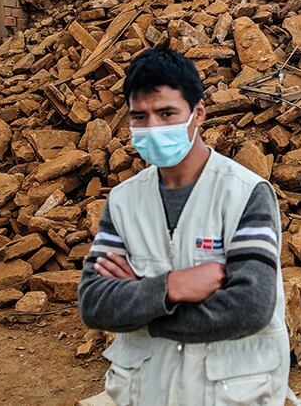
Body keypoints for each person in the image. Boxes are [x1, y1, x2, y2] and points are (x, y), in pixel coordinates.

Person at [78, 46, 289, 405]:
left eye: (166, 113)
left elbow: (249, 307)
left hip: (231, 394)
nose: (153, 127)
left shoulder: (245, 194)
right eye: (139, 117)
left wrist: (143, 305)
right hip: (146, 392)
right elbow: (95, 304)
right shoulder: (124, 201)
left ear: (198, 114)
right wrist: (172, 287)